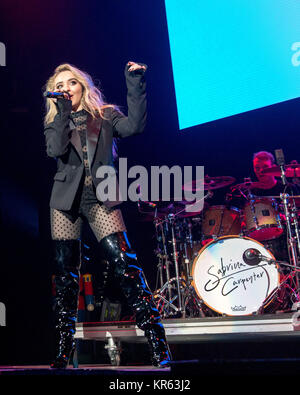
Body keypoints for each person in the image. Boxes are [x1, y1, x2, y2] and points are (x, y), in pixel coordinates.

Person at [43, 61, 171, 368]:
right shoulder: (54, 122)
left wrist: (135, 80)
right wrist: (60, 113)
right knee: (65, 275)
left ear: (82, 86)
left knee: (124, 264)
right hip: (64, 202)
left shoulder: (106, 115)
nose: (64, 89)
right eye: (59, 86)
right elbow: (55, 150)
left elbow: (136, 127)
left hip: (100, 197)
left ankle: (157, 342)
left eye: (69, 83)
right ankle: (63, 349)